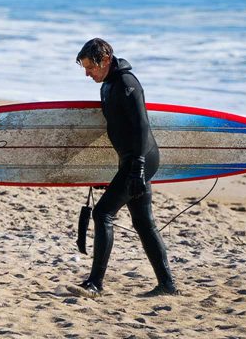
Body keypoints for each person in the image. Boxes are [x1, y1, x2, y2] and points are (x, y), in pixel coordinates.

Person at [69, 38, 177, 298]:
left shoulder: (127, 84)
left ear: (105, 60)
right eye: (84, 68)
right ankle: (167, 286)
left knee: (103, 214)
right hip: (131, 160)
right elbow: (117, 129)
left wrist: (137, 168)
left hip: (140, 160)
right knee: (144, 223)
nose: (87, 73)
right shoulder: (108, 84)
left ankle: (95, 283)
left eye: (90, 68)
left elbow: (141, 126)